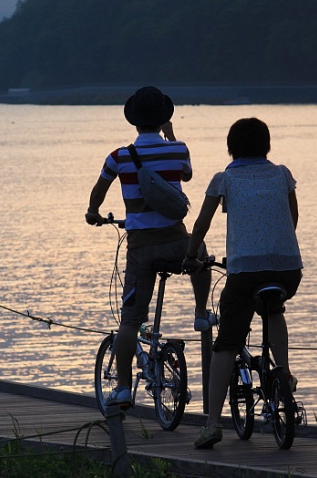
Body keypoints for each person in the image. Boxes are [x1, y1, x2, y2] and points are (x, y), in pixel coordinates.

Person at [85, 86, 214, 406]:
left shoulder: (119, 157)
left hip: (141, 249)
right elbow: (188, 173)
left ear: (134, 122)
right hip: (176, 243)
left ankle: (124, 388)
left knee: (129, 322)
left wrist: (93, 214)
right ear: (164, 119)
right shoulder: (178, 149)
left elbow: (99, 190)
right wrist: (172, 136)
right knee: (201, 255)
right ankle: (200, 313)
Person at [183, 117, 303, 449]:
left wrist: (191, 256)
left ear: (231, 147)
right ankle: (285, 374)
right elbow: (292, 219)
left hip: (245, 273)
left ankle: (211, 424)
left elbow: (201, 225)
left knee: (226, 344)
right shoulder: (282, 174)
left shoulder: (225, 179)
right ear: (267, 145)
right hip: (287, 270)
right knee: (273, 309)